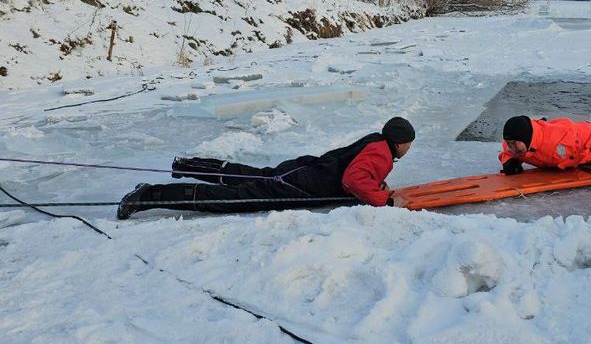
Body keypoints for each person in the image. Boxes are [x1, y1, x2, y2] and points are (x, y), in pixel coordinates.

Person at [116, 117, 416, 220]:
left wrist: (377, 187)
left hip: (300, 171)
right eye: (409, 143)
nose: (409, 148)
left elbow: (357, 171)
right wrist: (386, 200)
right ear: (400, 142)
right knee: (230, 198)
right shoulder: (382, 154)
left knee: (246, 175)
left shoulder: (375, 142)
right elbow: (353, 180)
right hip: (299, 186)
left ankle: (189, 165)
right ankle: (149, 195)